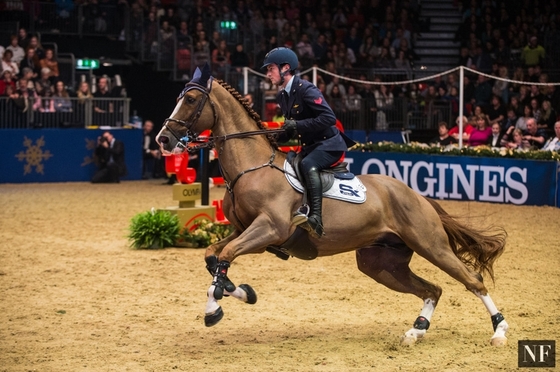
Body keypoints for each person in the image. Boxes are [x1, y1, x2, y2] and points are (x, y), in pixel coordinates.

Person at [262, 47, 355, 238]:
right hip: (311, 146)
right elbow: (289, 131)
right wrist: (268, 138)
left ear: (285, 68)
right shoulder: (283, 95)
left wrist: (296, 124)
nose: (268, 74)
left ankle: (316, 218)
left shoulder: (306, 89)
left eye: (270, 69)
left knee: (307, 164)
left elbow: (329, 118)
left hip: (329, 145)